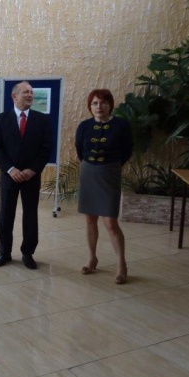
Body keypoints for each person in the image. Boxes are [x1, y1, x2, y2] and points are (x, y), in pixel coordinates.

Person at [0, 81, 53, 269]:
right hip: (9, 176)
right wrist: (11, 169)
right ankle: (4, 253)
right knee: (5, 216)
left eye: (31, 92)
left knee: (31, 216)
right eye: (26, 92)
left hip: (31, 177)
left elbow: (46, 149)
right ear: (14, 96)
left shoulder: (42, 120)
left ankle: (28, 253)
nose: (30, 95)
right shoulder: (1, 119)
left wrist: (32, 170)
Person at [75, 89, 133, 284]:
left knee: (110, 222)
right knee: (90, 219)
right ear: (90, 106)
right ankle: (92, 258)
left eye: (103, 103)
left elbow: (127, 150)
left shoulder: (121, 125)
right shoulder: (84, 126)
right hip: (88, 173)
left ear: (110, 105)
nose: (99, 107)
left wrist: (112, 165)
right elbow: (79, 149)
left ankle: (121, 265)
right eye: (95, 103)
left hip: (109, 173)